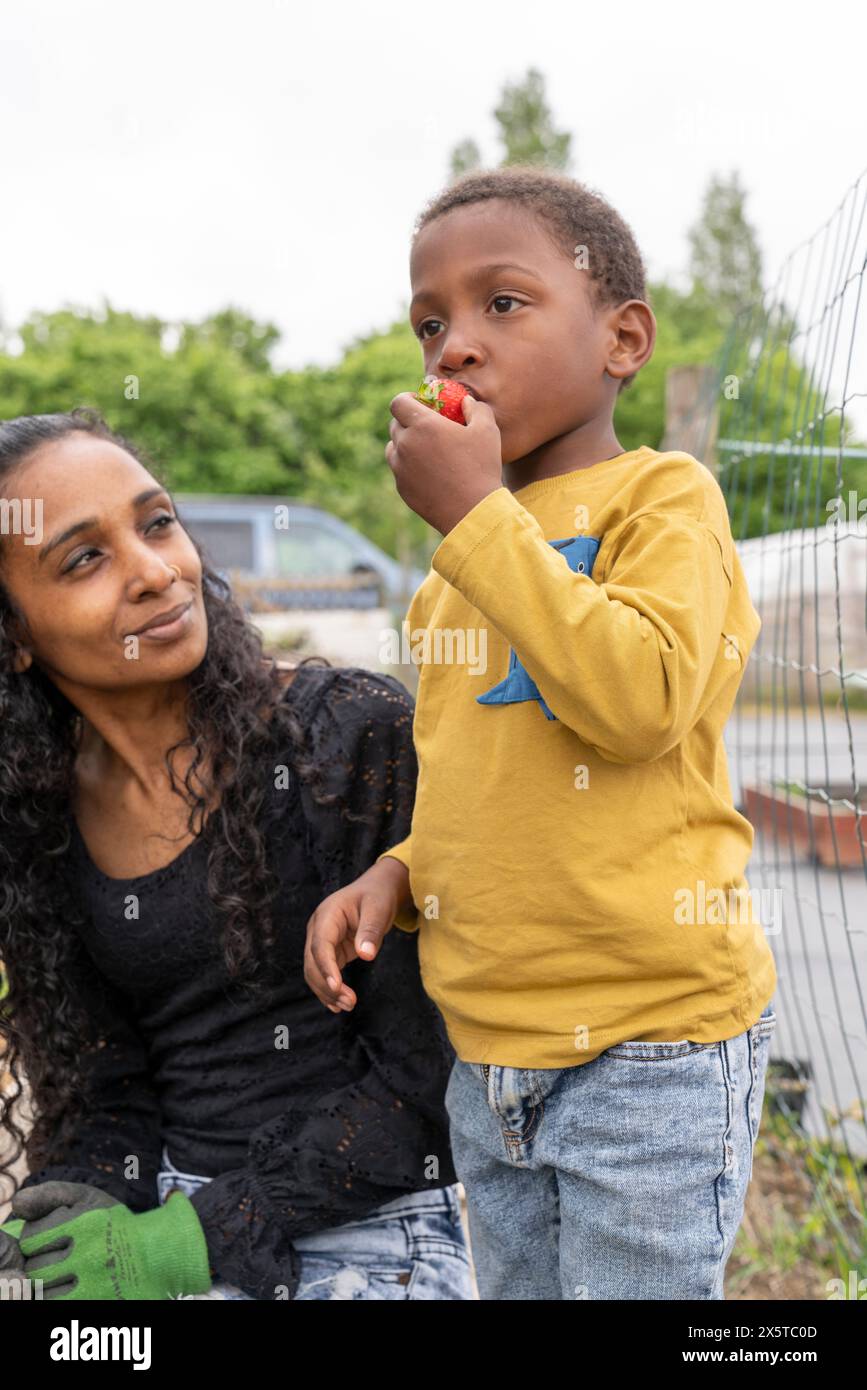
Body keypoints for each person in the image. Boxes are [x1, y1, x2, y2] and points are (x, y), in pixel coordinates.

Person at [304, 164, 779, 1301]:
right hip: (492, 1055)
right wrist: (398, 873)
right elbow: (477, 783)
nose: (454, 347)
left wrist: (476, 520)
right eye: (431, 324)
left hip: (650, 1048)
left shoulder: (663, 501)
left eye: (500, 304)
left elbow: (639, 700)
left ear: (622, 339)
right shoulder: (449, 578)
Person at [0, 408, 473, 1301]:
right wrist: (74, 1208)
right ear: (16, 637)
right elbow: (112, 1088)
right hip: (164, 1222)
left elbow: (431, 1086)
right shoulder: (38, 824)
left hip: (368, 1233)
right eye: (84, 558)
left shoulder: (342, 741)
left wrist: (195, 1239)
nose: (154, 573)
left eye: (156, 522)